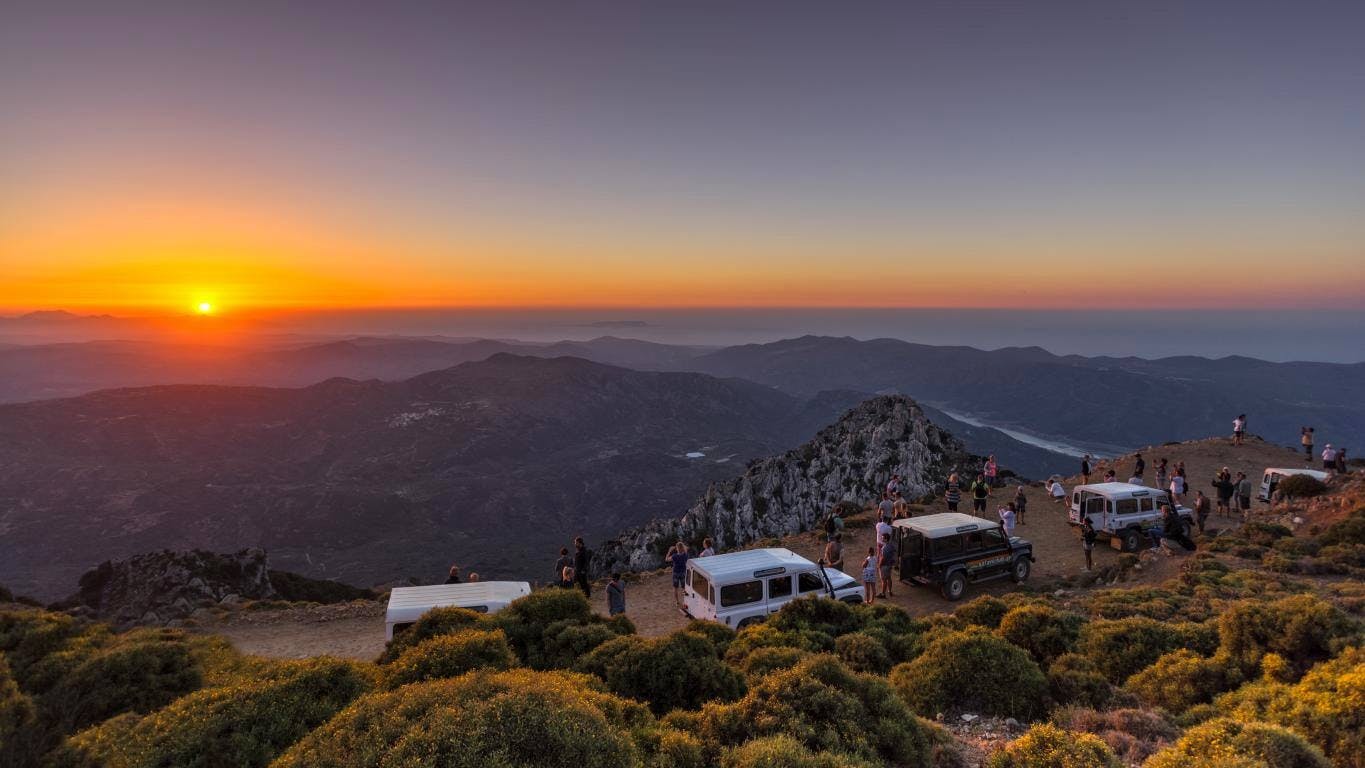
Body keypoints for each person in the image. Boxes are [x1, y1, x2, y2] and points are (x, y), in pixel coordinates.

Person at [877, 533, 896, 598]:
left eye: (883, 538)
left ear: (886, 539)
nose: (882, 539)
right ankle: (890, 591)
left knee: (884, 580)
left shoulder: (884, 548)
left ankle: (883, 594)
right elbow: (894, 553)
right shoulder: (891, 545)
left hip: (884, 566)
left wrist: (879, 565)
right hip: (889, 565)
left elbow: (883, 558)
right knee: (889, 578)